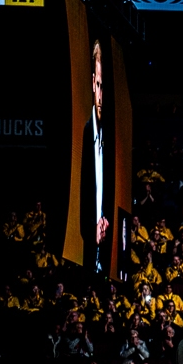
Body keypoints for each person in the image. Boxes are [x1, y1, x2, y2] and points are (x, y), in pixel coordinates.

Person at [81, 40, 113, 275]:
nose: (101, 95)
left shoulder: (106, 134)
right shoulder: (84, 133)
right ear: (93, 83)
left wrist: (104, 218)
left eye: (104, 88)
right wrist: (92, 224)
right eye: (98, 85)